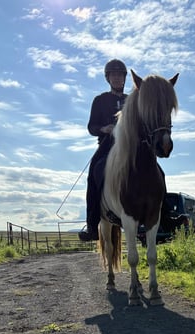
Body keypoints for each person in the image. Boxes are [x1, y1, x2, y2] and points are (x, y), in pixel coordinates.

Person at [78, 59, 128, 241]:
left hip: (129, 145)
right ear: (108, 78)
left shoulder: (131, 100)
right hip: (108, 145)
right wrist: (104, 129)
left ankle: (164, 215)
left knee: (155, 170)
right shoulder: (100, 100)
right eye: (113, 75)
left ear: (124, 78)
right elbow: (91, 127)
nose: (116, 78)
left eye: (120, 74)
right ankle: (92, 225)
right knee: (94, 174)